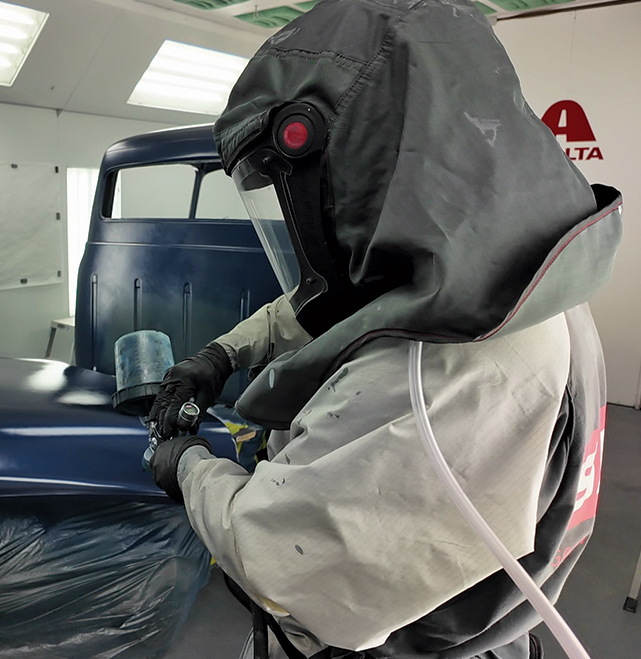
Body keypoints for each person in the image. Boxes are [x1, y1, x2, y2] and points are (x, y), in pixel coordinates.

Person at [146, 1, 624, 658]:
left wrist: (188, 467)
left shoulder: (444, 375)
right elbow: (336, 305)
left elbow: (280, 555)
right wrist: (224, 351)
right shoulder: (518, 278)